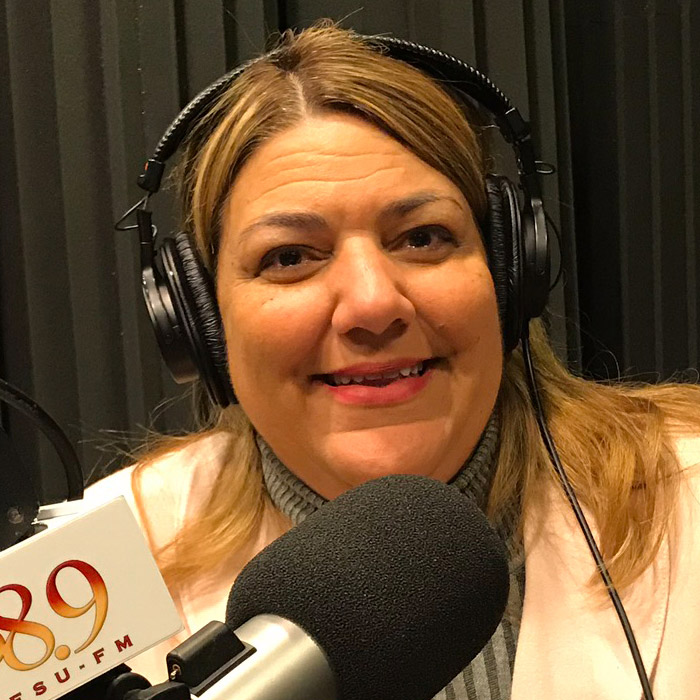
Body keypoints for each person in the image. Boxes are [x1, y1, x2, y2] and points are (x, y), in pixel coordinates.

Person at [87, 22, 700, 699]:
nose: (374, 305)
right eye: (289, 257)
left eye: (422, 237)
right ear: (198, 318)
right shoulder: (95, 578)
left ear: (508, 270)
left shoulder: (689, 498)